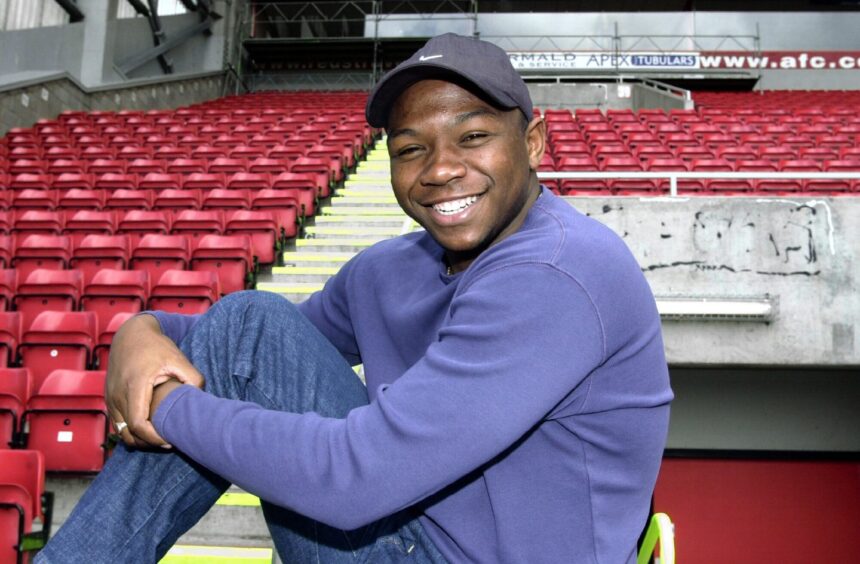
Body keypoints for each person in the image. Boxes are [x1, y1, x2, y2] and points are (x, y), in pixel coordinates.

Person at [36, 33, 672, 563]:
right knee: (248, 323)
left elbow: (352, 480)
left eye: (473, 137)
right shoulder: (390, 268)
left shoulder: (560, 272)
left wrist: (167, 407)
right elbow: (247, 349)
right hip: (410, 535)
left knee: (247, 334)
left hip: (423, 537)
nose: (440, 167)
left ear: (532, 143)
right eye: (410, 149)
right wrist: (139, 330)